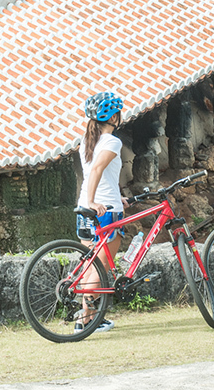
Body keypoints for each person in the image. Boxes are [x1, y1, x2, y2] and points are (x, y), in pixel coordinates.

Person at [76, 90, 126, 333]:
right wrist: (95, 201)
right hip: (104, 211)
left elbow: (98, 175)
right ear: (114, 117)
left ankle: (92, 318)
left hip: (83, 210)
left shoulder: (87, 141)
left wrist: (91, 200)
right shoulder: (112, 141)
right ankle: (84, 319)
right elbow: (96, 170)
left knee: (89, 266)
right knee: (101, 267)